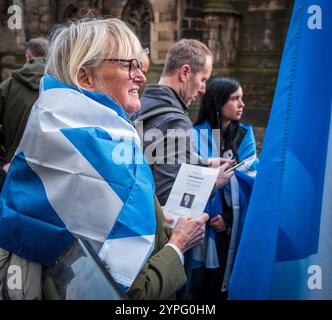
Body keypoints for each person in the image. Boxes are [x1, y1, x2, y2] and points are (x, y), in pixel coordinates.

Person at [0, 18, 209, 300]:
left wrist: (156, 220)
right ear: (85, 76)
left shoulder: (53, 131)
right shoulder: (107, 160)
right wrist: (177, 245)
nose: (141, 76)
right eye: (128, 65)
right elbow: (128, 293)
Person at [131, 39, 234, 300]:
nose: (203, 89)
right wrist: (214, 182)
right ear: (185, 72)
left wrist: (204, 163)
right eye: (202, 79)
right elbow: (171, 200)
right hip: (163, 250)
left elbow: (155, 160)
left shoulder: (141, 106)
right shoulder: (176, 119)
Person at [189, 77, 259, 300]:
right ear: (218, 102)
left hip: (230, 227)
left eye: (242, 98)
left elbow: (250, 182)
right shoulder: (193, 134)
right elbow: (190, 177)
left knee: (220, 288)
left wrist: (227, 218)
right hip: (200, 224)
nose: (242, 104)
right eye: (235, 99)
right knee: (197, 288)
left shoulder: (245, 136)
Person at [0, 37, 48, 188]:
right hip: (54, 169)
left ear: (28, 56)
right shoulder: (63, 85)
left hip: (13, 166)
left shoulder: (8, 86)